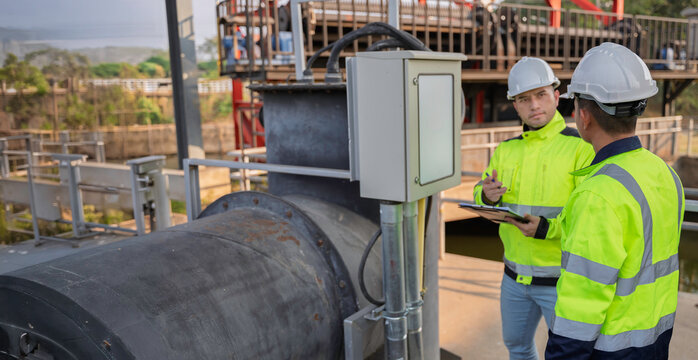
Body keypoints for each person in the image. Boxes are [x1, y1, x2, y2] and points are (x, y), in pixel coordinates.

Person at [506, 42, 685, 359]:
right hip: (656, 339)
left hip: (611, 348)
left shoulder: (597, 193)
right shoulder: (665, 172)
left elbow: (582, 303)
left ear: (583, 116)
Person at [473, 57, 595, 360]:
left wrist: (546, 228)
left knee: (568, 356)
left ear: (556, 96)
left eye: (541, 94)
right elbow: (480, 192)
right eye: (524, 99)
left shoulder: (581, 148)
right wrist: (487, 197)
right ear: (515, 105)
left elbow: (588, 218)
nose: (534, 105)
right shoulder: (506, 150)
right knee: (517, 347)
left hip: (560, 282)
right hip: (513, 279)